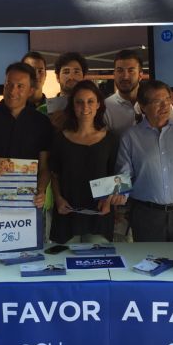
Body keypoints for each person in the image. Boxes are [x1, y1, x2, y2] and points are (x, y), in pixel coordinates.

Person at [116, 80, 173, 242]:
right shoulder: (130, 137)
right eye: (157, 101)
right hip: (146, 215)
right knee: (148, 262)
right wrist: (116, 195)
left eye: (167, 100)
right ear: (143, 106)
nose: (165, 106)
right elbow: (124, 176)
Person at [49, 80, 126, 244]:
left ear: (98, 104)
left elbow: (118, 175)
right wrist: (58, 199)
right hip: (66, 214)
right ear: (72, 106)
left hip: (100, 214)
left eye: (90, 101)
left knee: (96, 267)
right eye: (79, 102)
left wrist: (110, 201)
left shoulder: (111, 139)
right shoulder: (59, 138)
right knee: (65, 264)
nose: (85, 107)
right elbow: (54, 174)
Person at [0, 62, 52, 208]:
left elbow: (45, 168)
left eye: (20, 86)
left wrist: (41, 190)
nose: (12, 91)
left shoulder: (42, 122)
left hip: (28, 203)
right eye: (9, 84)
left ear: (31, 91)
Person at [104, 49, 173, 136]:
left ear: (140, 75)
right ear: (114, 74)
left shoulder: (157, 99)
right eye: (120, 70)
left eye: (131, 70)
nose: (125, 76)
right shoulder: (106, 107)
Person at [37, 51, 88, 131]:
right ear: (57, 77)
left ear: (83, 77)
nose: (71, 77)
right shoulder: (43, 110)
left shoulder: (91, 109)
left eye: (76, 72)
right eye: (66, 72)